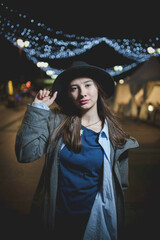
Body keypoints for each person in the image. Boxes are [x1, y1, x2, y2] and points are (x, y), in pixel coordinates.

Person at [15, 61, 139, 240]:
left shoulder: (114, 135)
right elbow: (25, 154)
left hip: (95, 219)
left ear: (98, 88)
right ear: (68, 93)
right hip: (56, 217)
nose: (82, 93)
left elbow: (119, 184)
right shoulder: (57, 123)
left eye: (88, 85)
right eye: (74, 88)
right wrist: (38, 108)